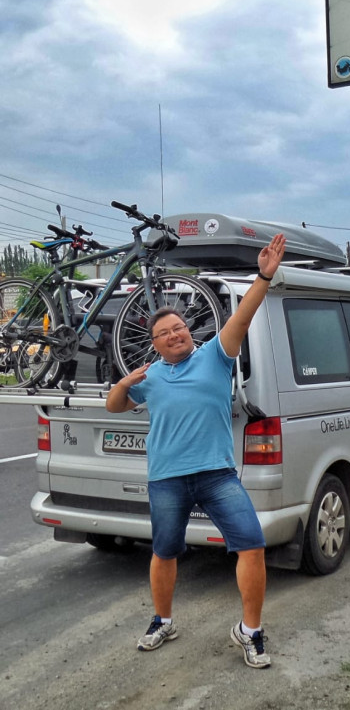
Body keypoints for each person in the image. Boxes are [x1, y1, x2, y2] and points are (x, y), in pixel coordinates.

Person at [106, 232, 286, 668]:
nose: (174, 335)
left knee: (252, 544)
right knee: (165, 551)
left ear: (189, 331)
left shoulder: (215, 355)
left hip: (216, 474)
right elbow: (114, 406)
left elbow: (242, 316)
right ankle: (163, 620)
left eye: (179, 328)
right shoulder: (149, 377)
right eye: (164, 333)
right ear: (154, 344)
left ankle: (250, 631)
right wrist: (125, 382)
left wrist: (263, 276)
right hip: (167, 478)